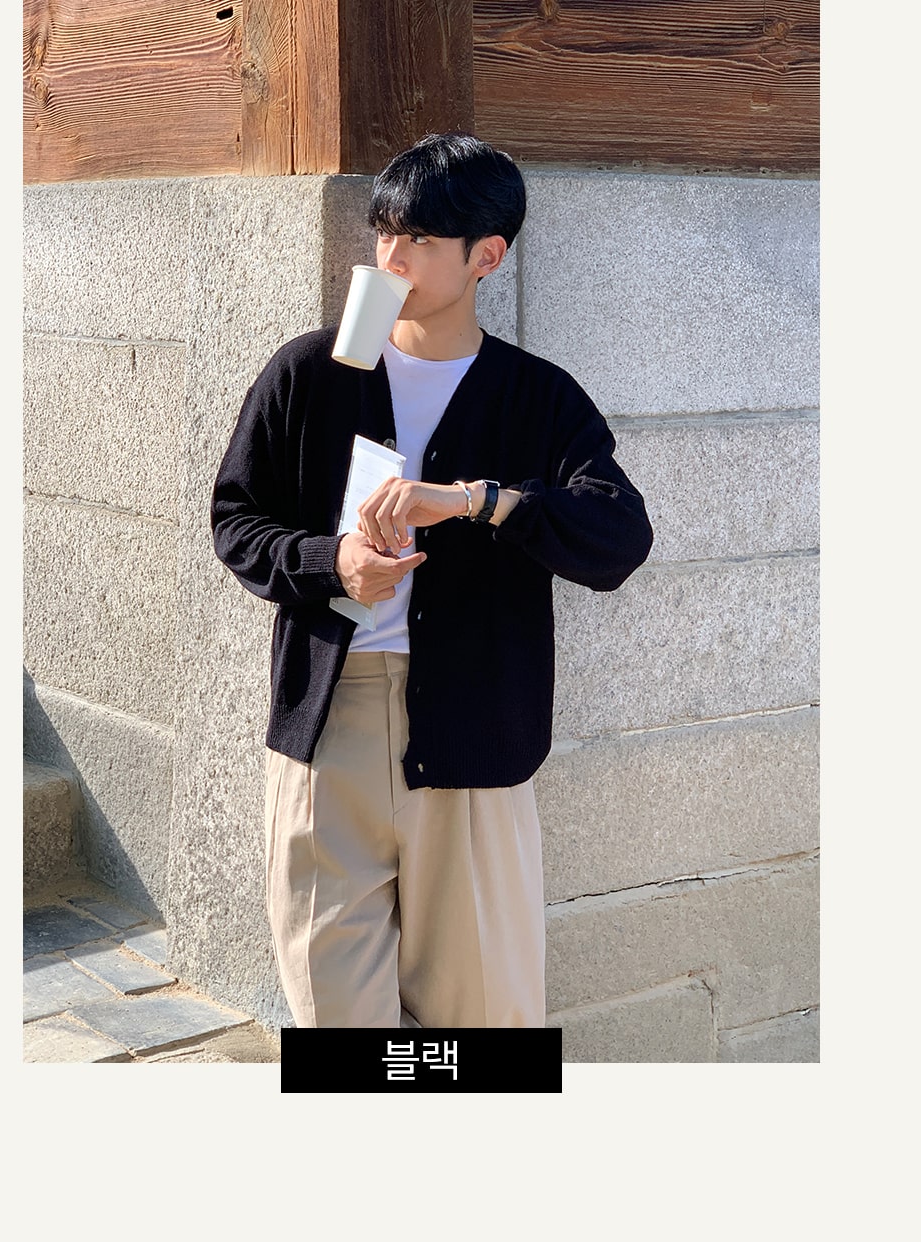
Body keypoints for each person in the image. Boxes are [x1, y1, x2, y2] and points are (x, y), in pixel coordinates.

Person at [211, 132, 653, 1029]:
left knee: (483, 1018)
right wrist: (331, 561)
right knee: (337, 1016)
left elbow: (618, 538)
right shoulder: (309, 372)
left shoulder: (536, 395)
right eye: (384, 232)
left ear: (486, 256)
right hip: (330, 725)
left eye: (418, 238)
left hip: (475, 734)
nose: (392, 257)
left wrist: (478, 501)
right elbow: (236, 521)